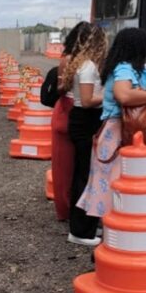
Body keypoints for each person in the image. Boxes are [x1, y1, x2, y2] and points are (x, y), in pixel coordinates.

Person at [76, 28, 146, 240]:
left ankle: (125, 238)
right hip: (116, 136)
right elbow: (124, 95)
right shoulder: (123, 70)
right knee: (114, 190)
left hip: (135, 137)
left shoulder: (142, 71)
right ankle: (113, 242)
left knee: (129, 189)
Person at [63, 24, 108, 246]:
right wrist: (110, 94)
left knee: (84, 175)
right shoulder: (89, 67)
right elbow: (89, 100)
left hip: (81, 120)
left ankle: (84, 226)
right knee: (85, 177)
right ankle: (80, 230)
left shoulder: (79, 64)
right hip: (86, 120)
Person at [50, 22, 88, 221]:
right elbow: (61, 88)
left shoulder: (70, 59)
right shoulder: (70, 60)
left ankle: (71, 209)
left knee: (69, 166)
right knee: (66, 167)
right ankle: (67, 210)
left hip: (70, 111)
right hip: (70, 110)